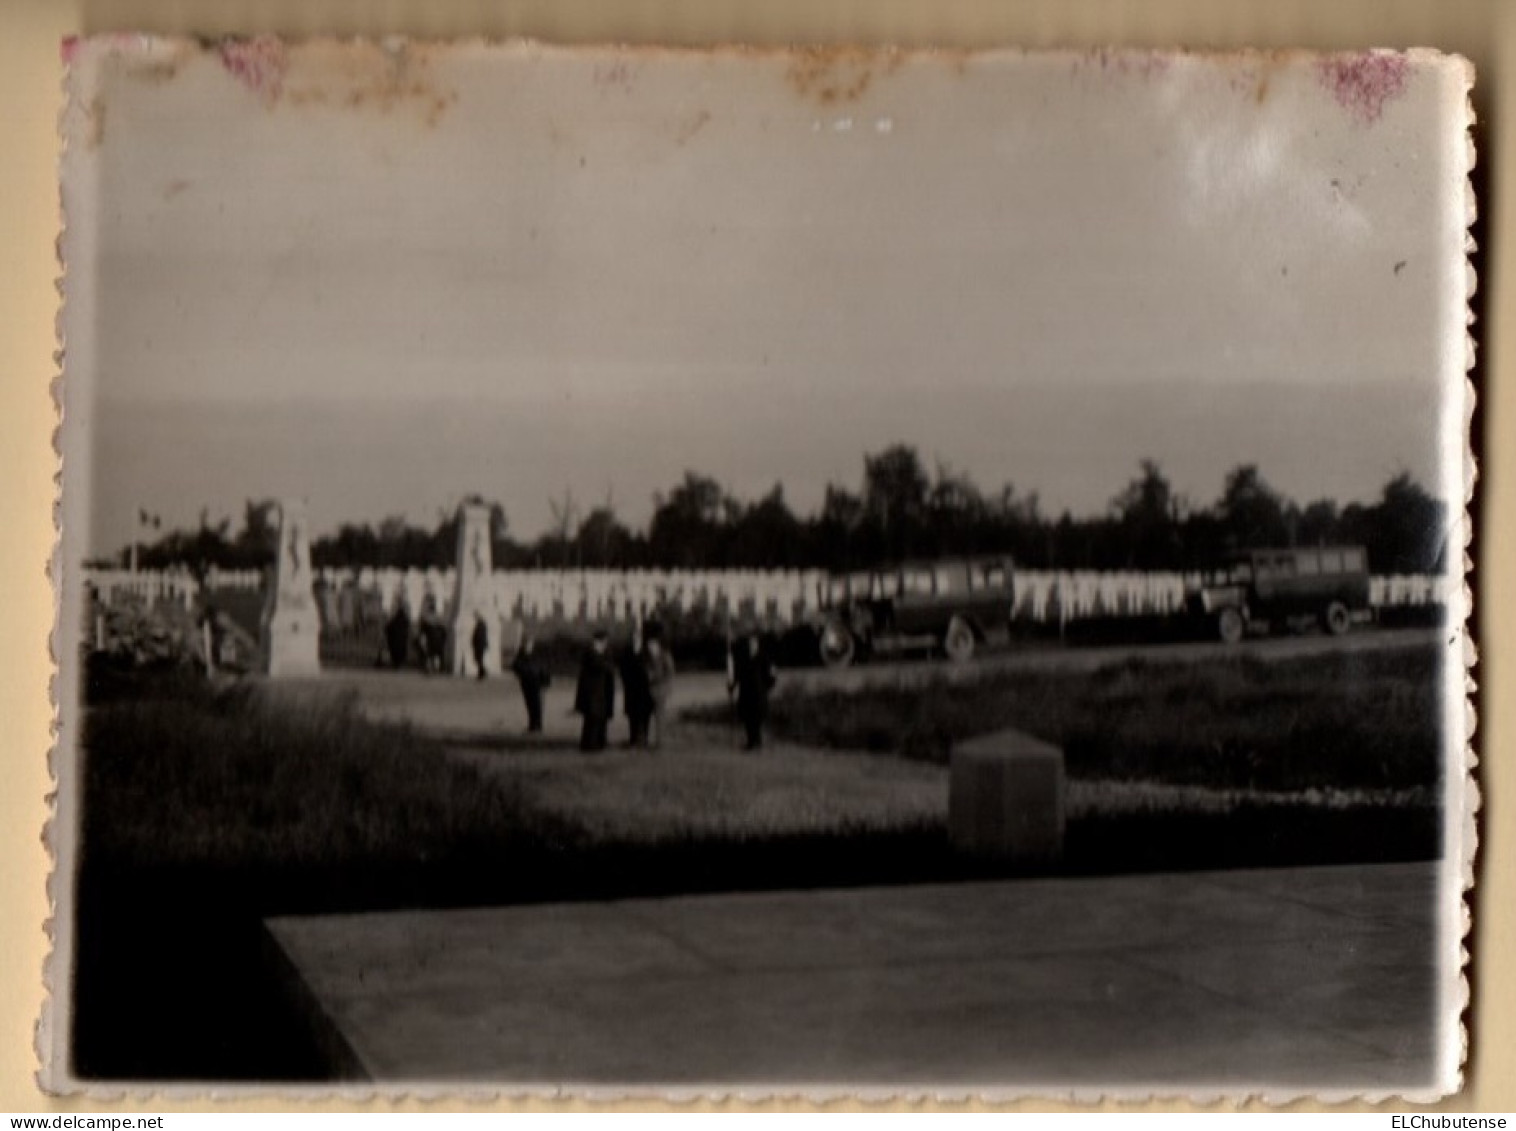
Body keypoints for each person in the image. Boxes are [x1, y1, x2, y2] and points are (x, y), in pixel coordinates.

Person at [729, 628, 777, 751]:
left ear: (757, 646)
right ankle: (750, 742)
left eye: (753, 645)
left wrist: (767, 688)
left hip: (759, 695)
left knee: (757, 719)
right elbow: (737, 675)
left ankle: (757, 742)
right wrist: (732, 686)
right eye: (749, 645)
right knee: (747, 718)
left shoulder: (764, 659)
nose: (751, 647)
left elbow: (772, 676)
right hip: (746, 694)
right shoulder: (743, 660)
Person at [574, 629, 617, 752]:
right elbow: (602, 666)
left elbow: (609, 666)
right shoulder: (591, 653)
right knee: (592, 718)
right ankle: (590, 744)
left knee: (600, 717)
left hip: (601, 691)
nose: (604, 645)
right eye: (602, 642)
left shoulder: (602, 653)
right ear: (597, 642)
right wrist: (607, 664)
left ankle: (599, 741)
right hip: (592, 692)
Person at [619, 627, 654, 748]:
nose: (636, 639)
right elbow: (622, 669)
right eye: (634, 637)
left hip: (645, 690)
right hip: (631, 689)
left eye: (638, 637)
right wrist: (627, 682)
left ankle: (644, 739)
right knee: (632, 715)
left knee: (645, 714)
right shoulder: (626, 652)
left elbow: (651, 668)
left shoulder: (646, 652)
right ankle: (633, 739)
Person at [643, 626, 676, 749]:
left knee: (660, 716)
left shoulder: (665, 656)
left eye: (652, 645)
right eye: (649, 645)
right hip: (649, 690)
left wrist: (666, 688)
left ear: (657, 645)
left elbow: (670, 673)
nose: (650, 647)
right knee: (649, 716)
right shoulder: (648, 658)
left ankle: (659, 741)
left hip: (660, 690)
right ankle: (648, 739)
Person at [510, 634, 549, 734]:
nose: (528, 646)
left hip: (538, 682)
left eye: (529, 644)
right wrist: (523, 673)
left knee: (538, 704)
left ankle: (538, 725)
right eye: (526, 644)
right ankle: (533, 724)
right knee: (530, 704)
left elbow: (545, 668)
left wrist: (546, 681)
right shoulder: (521, 655)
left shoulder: (538, 654)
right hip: (527, 682)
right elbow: (515, 666)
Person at [384, 600, 411, 669]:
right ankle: (398, 663)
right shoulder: (405, 621)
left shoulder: (394, 621)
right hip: (401, 645)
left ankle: (396, 663)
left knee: (393, 643)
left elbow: (387, 629)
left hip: (395, 644)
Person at [471, 613, 490, 681]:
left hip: (480, 645)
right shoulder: (481, 625)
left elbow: (479, 636)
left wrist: (475, 642)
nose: (476, 619)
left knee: (478, 659)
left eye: (477, 617)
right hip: (480, 645)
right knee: (478, 659)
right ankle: (482, 672)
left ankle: (482, 672)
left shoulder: (481, 625)